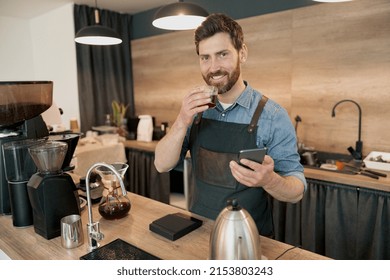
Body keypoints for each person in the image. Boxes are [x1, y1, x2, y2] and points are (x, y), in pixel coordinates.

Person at [154, 13, 306, 237]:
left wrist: (269, 180)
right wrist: (181, 120)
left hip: (250, 239)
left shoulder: (272, 116)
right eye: (205, 57)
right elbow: (161, 165)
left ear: (242, 53)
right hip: (198, 232)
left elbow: (297, 191)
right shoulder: (194, 111)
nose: (213, 67)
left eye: (222, 54)